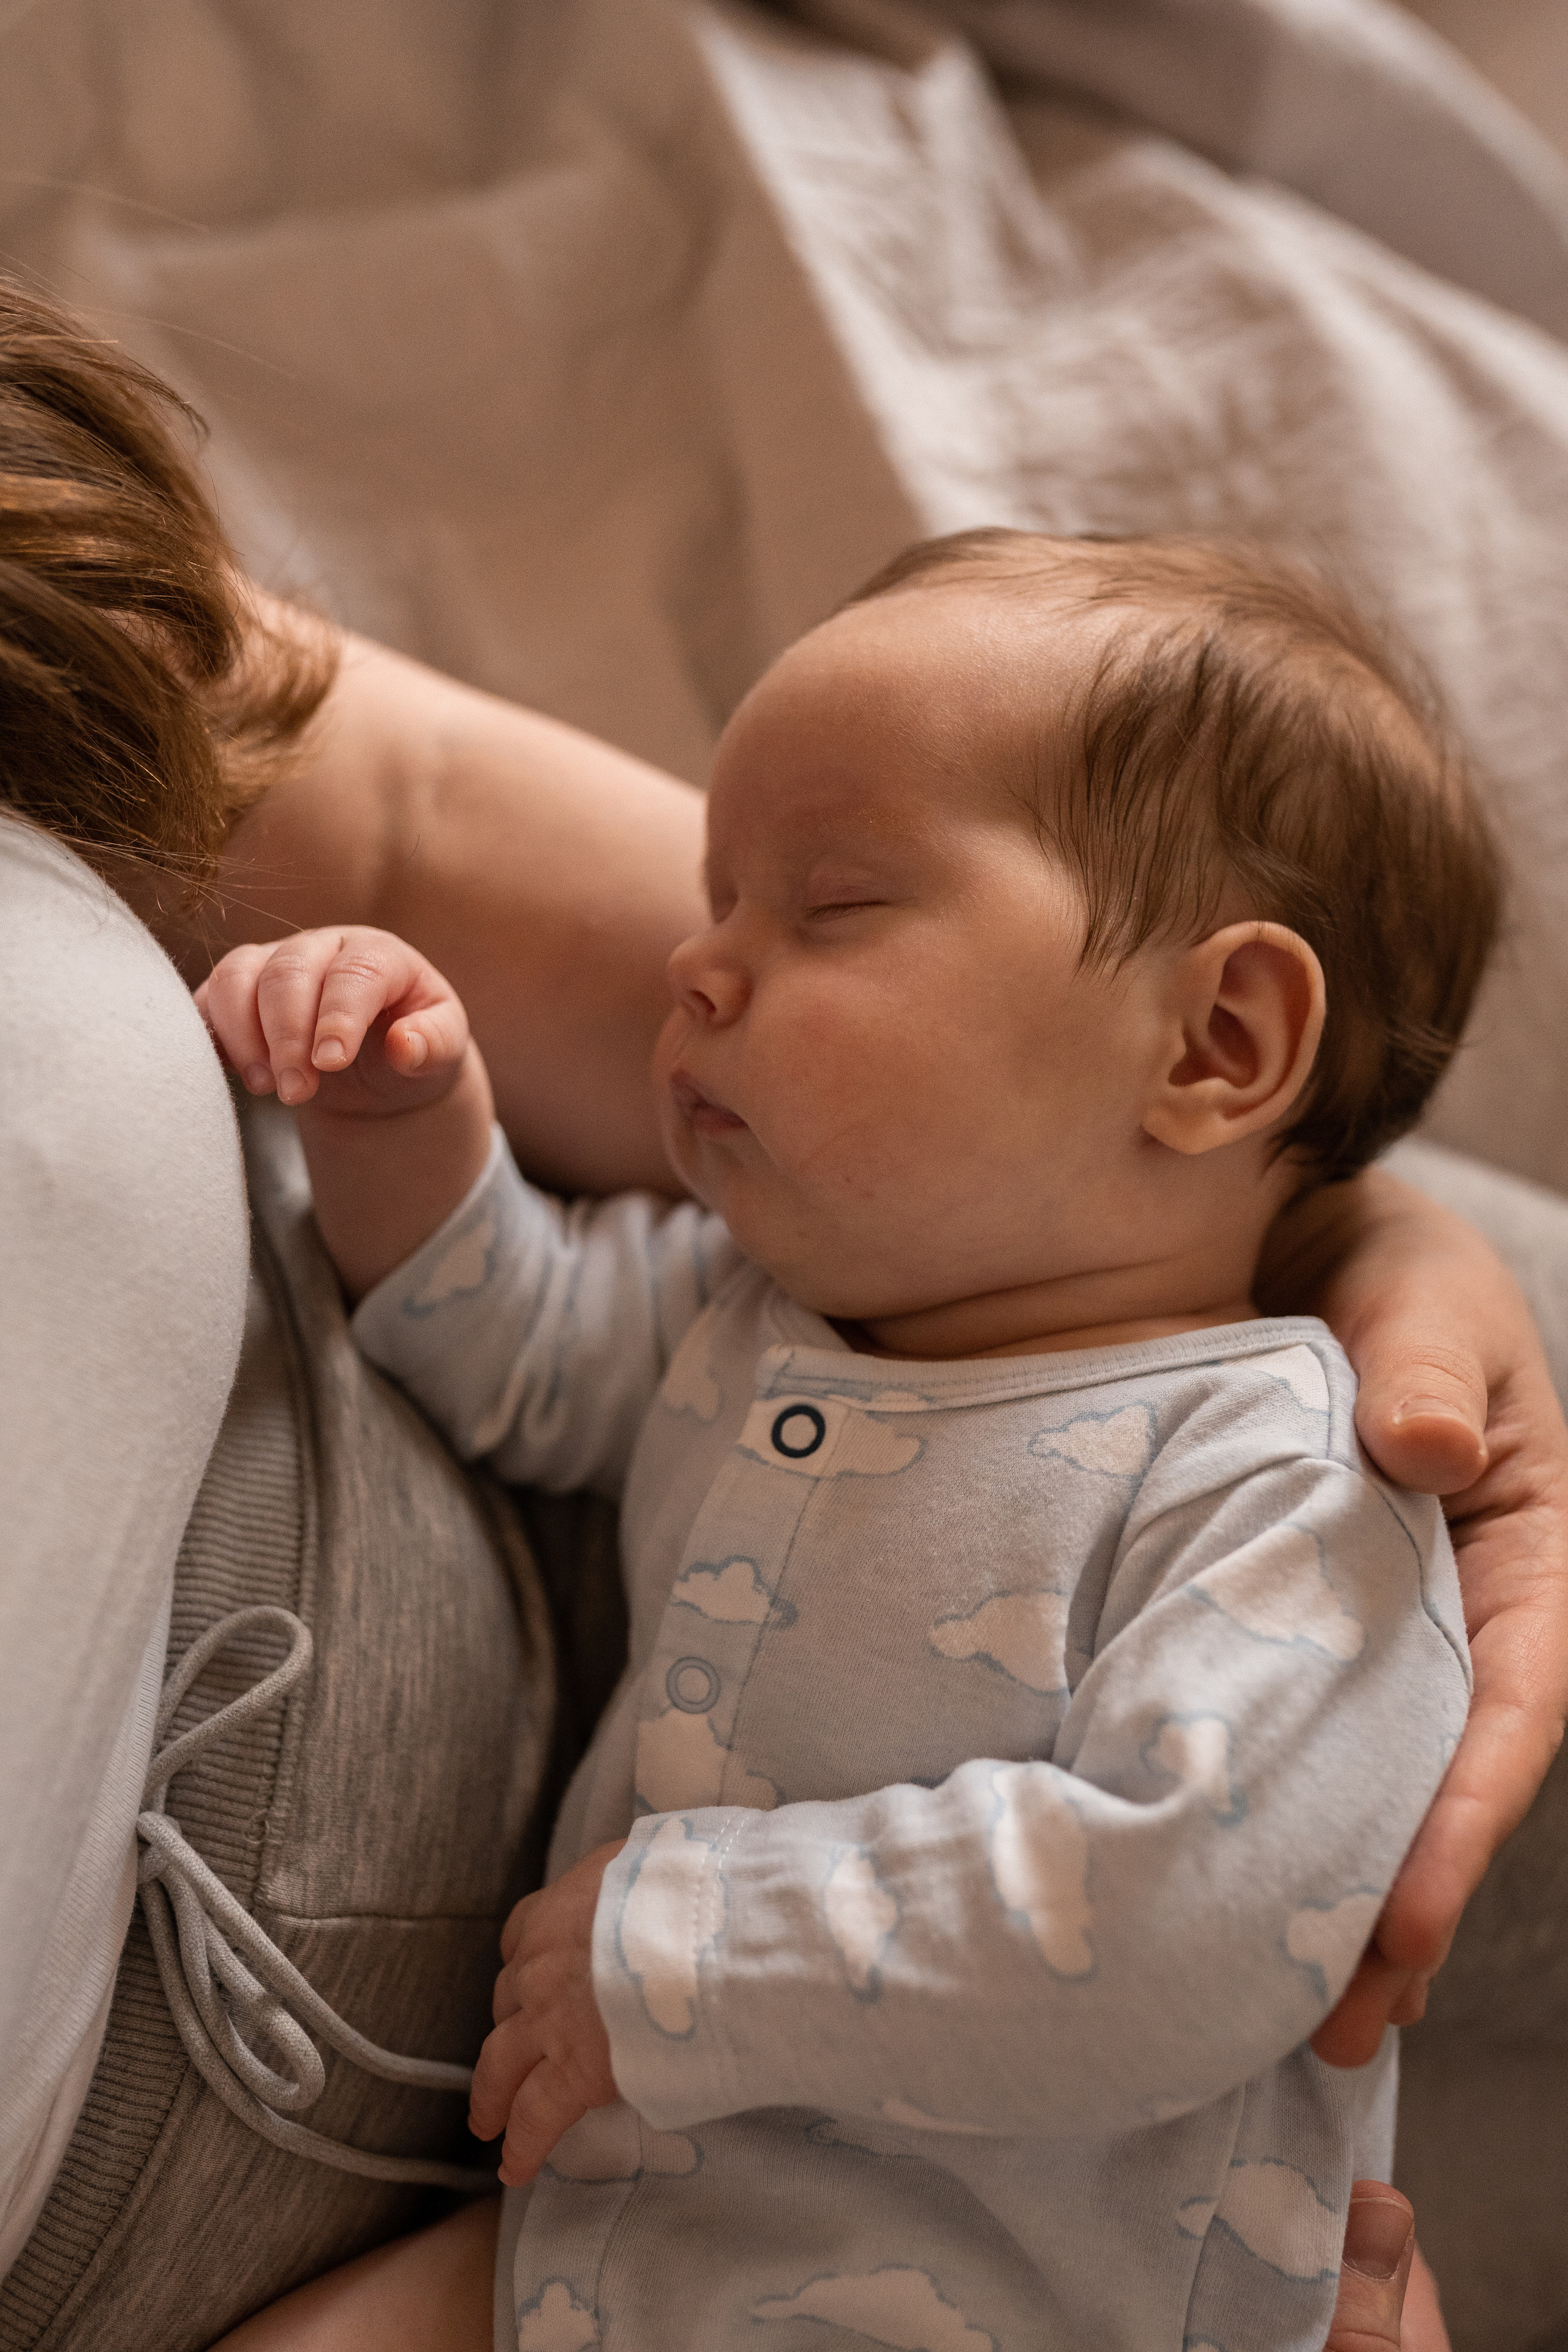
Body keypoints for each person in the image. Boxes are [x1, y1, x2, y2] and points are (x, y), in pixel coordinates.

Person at [1, 279, 1564, 2350]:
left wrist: (679, 1955)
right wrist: (415, 1124)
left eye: (822, 908)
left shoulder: (1276, 1478)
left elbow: (1194, 1917)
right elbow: (522, 1351)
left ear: (1222, 1043)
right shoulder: (765, 1318)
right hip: (637, 2222)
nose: (697, 972)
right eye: (718, 895)